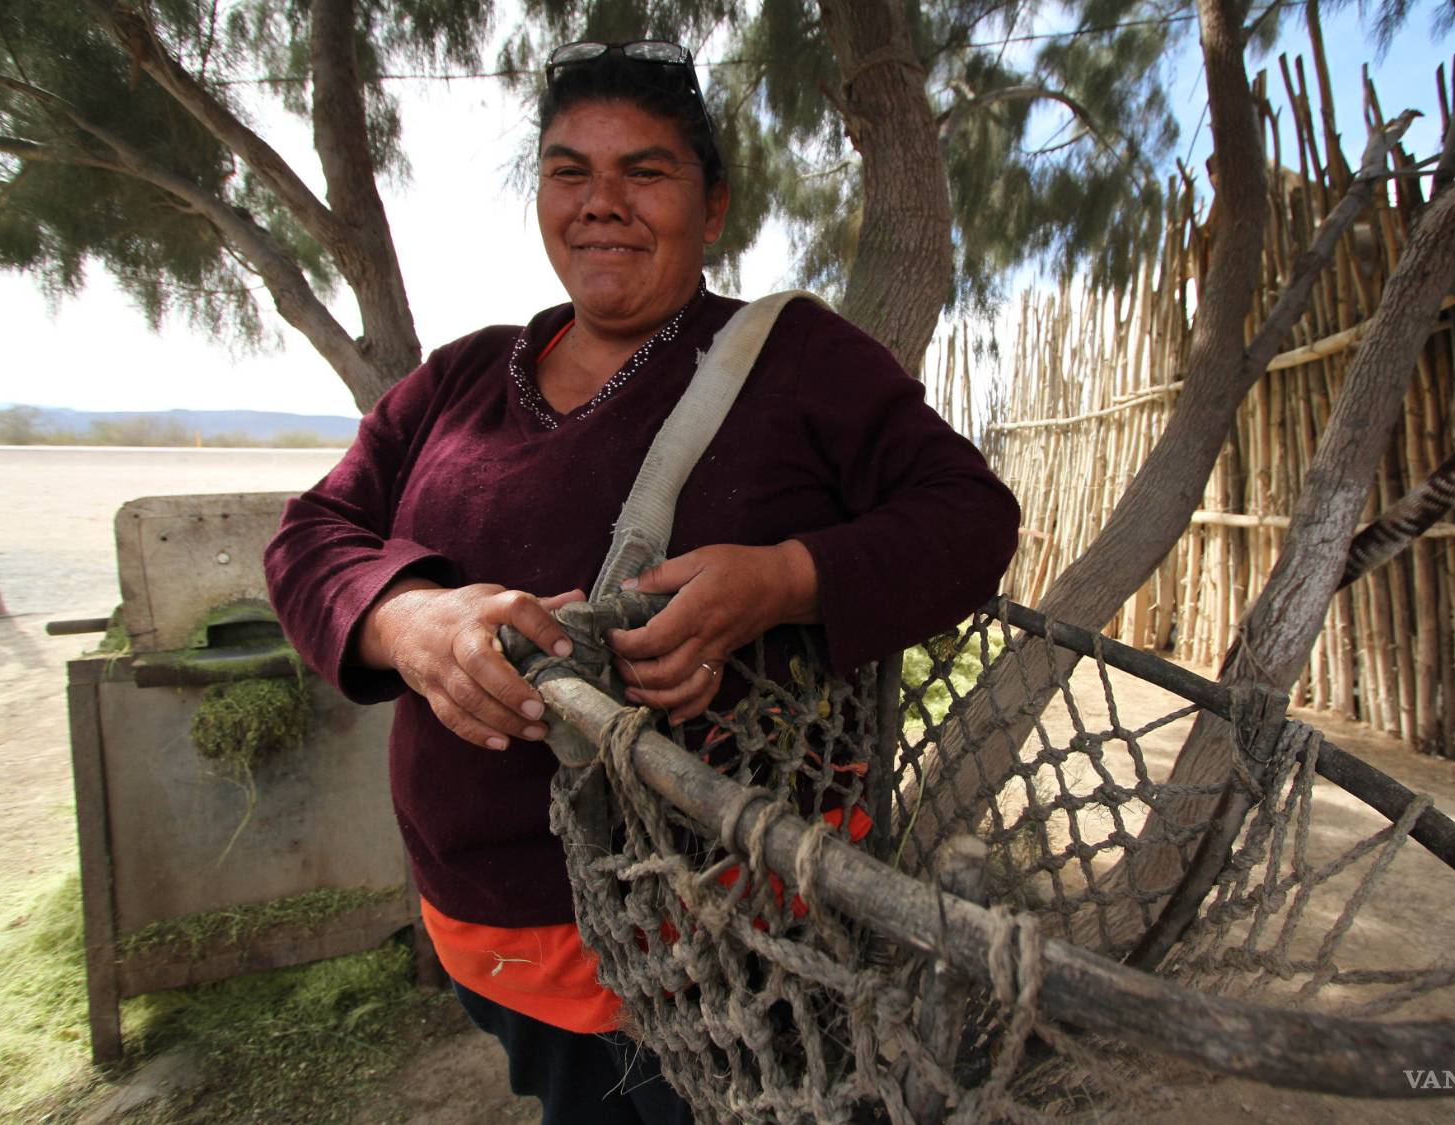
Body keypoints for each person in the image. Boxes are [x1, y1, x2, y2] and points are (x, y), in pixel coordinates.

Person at [264, 38, 1019, 1124]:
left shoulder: (795, 358)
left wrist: (782, 579)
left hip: (716, 942)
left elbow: (969, 518)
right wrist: (408, 617)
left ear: (712, 208)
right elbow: (312, 532)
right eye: (569, 172)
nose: (599, 204)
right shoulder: (462, 376)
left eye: (646, 172)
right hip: (484, 926)